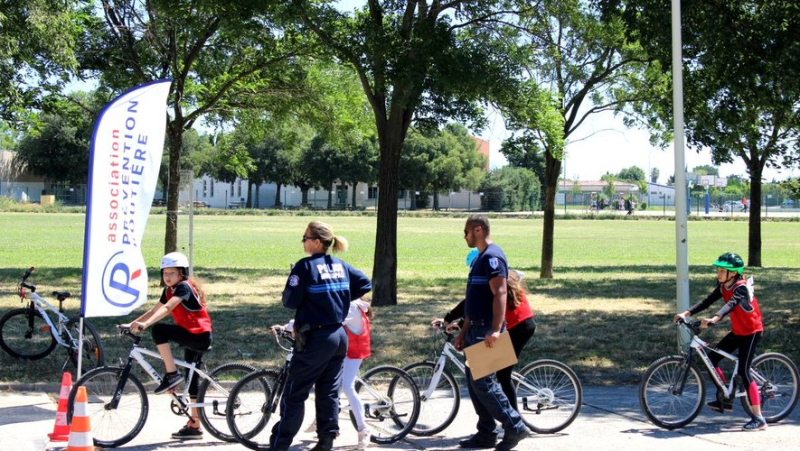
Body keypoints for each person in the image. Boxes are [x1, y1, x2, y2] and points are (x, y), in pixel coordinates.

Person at [269, 220, 372, 451]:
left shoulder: (304, 266)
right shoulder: (340, 265)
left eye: (305, 238)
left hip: (315, 339)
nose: (303, 241)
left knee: (295, 393)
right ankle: (326, 442)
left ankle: (280, 444)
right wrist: (341, 297)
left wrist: (305, 297)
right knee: (328, 392)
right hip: (338, 337)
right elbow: (366, 282)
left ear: (316, 242)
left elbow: (290, 301)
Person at [454, 215, 530, 451]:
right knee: (475, 384)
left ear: (478, 230)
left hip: (487, 329)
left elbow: (500, 294)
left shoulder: (493, 257)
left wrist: (496, 330)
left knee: (485, 384)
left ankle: (515, 425)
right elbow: (474, 301)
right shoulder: (480, 259)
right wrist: (463, 330)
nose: (464, 236)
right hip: (475, 328)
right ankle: (486, 433)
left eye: (466, 232)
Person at [121, 252, 213, 440]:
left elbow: (167, 308)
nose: (167, 277)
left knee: (159, 330)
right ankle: (195, 425)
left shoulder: (184, 288)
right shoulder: (169, 290)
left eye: (172, 273)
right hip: (191, 334)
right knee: (192, 378)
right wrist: (132, 324)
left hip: (199, 336)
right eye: (165, 273)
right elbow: (155, 309)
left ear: (182, 274)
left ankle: (172, 375)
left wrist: (146, 325)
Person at [674, 252, 766, 432]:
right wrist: (686, 313)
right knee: (712, 359)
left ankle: (759, 418)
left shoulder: (740, 287)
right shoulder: (723, 285)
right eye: (718, 270)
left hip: (752, 332)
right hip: (738, 331)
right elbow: (707, 301)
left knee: (743, 372)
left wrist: (715, 319)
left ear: (732, 273)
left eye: (721, 270)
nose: (718, 273)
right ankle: (725, 398)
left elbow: (730, 305)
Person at [433, 258, 536, 413]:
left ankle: (515, 420)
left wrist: (450, 319)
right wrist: (459, 323)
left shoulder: (494, 280)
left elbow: (474, 304)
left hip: (519, 327)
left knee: (502, 374)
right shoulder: (500, 276)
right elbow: (477, 306)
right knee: (491, 369)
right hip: (518, 325)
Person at [274, 295, 374, 450]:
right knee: (327, 385)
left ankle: (363, 429)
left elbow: (324, 320)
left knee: (346, 386)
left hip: (354, 352)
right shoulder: (347, 303)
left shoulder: (352, 307)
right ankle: (327, 424)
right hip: (340, 349)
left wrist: (288, 326)